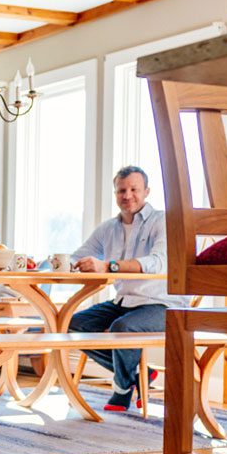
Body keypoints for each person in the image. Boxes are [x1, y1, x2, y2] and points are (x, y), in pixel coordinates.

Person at [68, 166, 188, 412]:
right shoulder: (108, 229)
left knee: (122, 329)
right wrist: (55, 264)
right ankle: (139, 376)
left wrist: (109, 266)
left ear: (146, 191)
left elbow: (158, 263)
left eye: (134, 189)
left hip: (161, 302)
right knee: (71, 325)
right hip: (124, 302)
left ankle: (122, 389)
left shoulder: (163, 221)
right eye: (122, 190)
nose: (127, 195)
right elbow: (77, 256)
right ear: (115, 193)